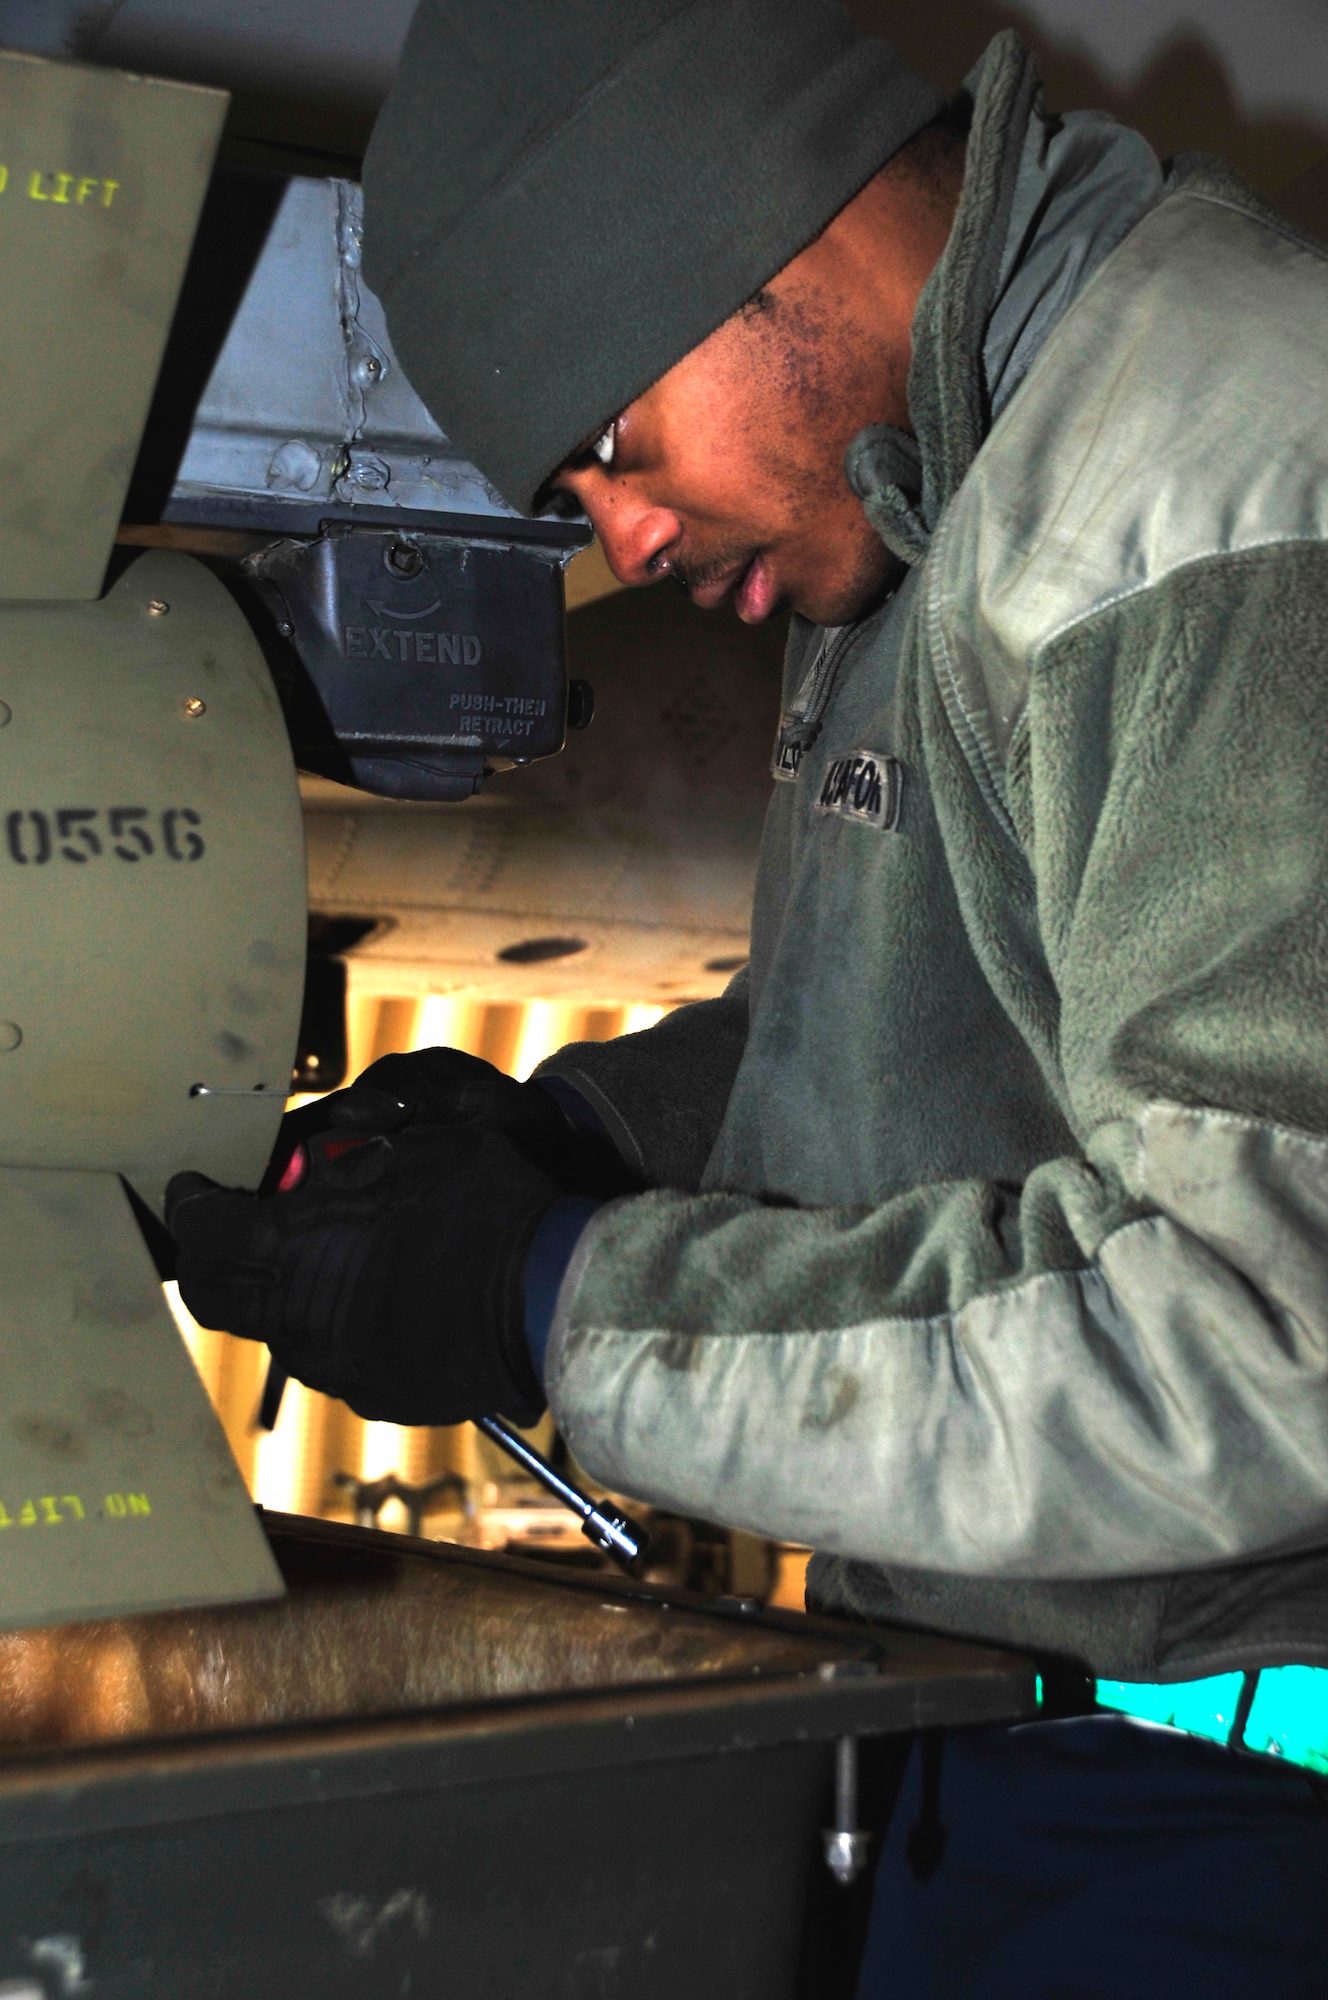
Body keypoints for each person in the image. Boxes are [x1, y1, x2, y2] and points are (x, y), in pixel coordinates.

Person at [168, 2, 1328, 1990]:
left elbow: (1263, 1334)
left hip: (1230, 1806)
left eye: (612, 441)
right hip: (1012, 1742)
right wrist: (573, 1134)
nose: (617, 533)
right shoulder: (924, 484)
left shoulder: (1205, 490)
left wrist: (555, 1294)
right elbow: (935, 1032)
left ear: (754, 233)